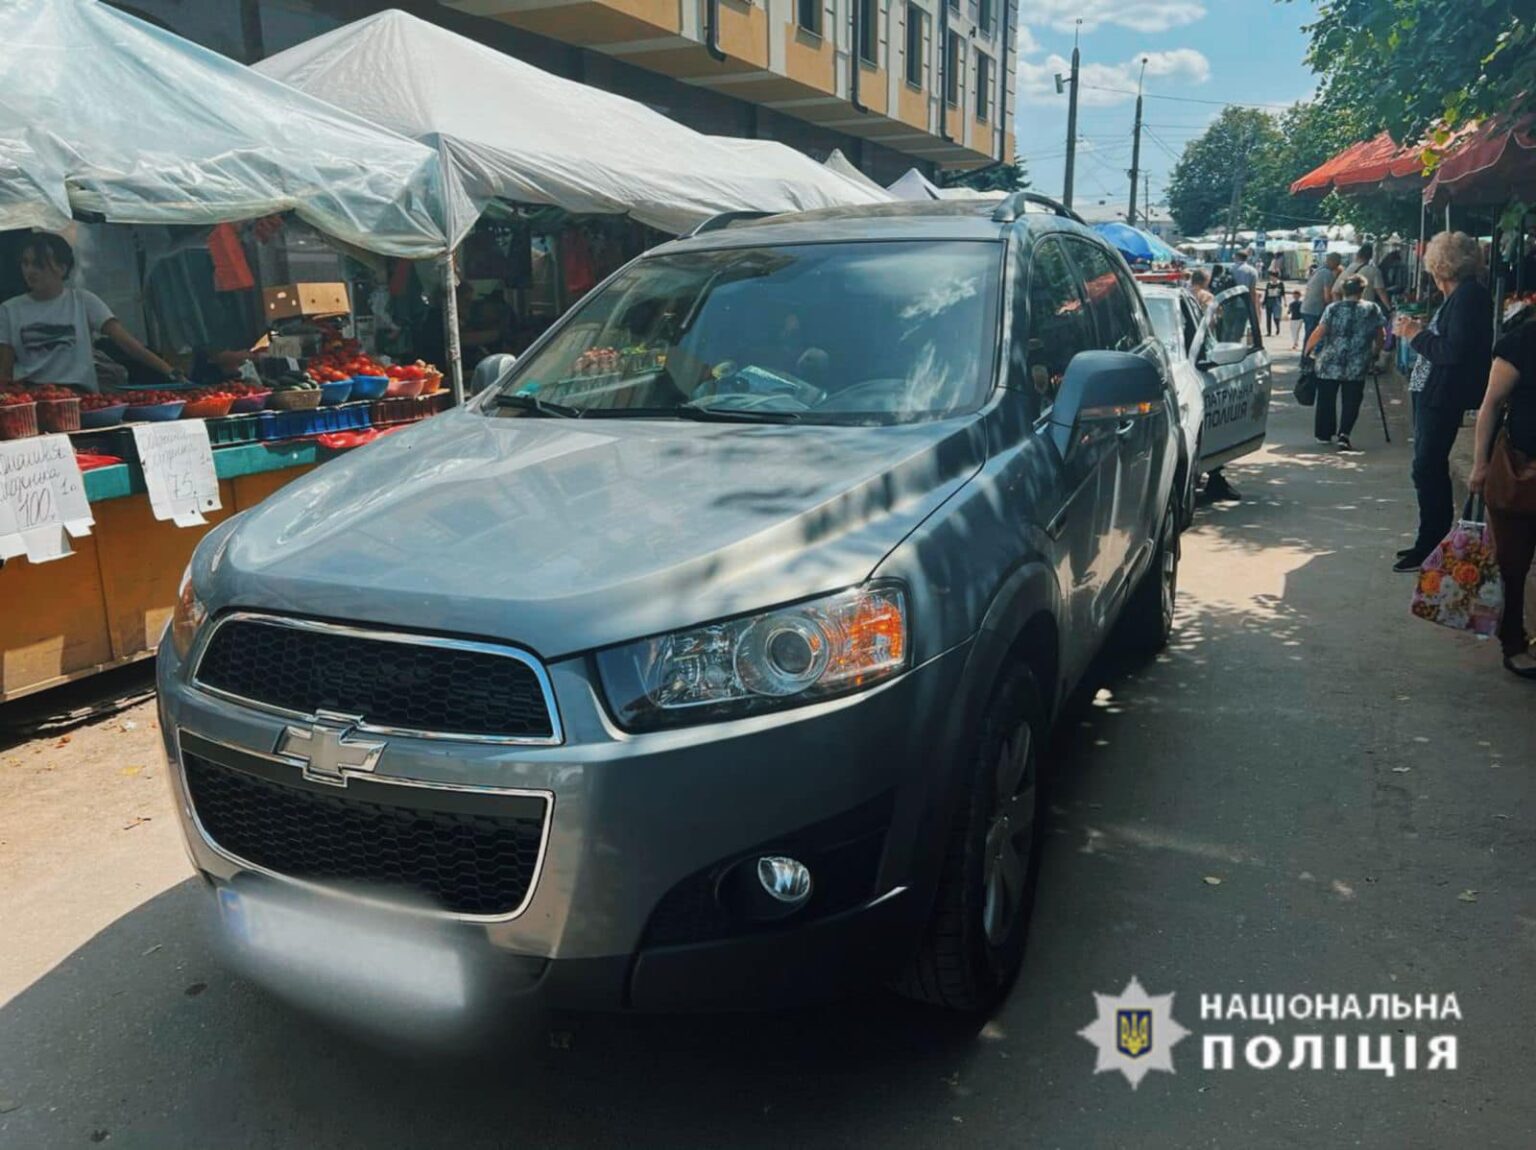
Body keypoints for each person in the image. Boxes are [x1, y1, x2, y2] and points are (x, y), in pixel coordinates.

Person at [1392, 231, 1494, 572]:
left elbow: (1453, 351)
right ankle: (1430, 541)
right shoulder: (1463, 296)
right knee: (1426, 468)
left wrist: (1414, 335)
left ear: (1439, 266)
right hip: (1434, 392)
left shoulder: (1467, 298)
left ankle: (1432, 545)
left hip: (1443, 394)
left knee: (1427, 468)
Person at [0, 233, 176, 391]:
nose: (30, 271)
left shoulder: (83, 301)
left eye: (38, 265)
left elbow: (127, 343)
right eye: (25, 263)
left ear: (62, 268)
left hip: (81, 396)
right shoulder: (9, 310)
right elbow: (5, 372)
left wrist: (170, 371)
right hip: (33, 398)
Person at [1469, 320, 1536, 678]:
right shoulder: (1523, 340)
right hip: (1519, 471)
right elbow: (1491, 405)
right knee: (1512, 564)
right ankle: (1513, 642)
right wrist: (1479, 465)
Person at [1304, 275, 1383, 451]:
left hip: (1329, 362)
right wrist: (1376, 352)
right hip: (1357, 363)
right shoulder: (1372, 309)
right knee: (1352, 400)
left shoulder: (1332, 308)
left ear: (1344, 291)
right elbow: (1380, 333)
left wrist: (1307, 350)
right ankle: (1344, 434)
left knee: (1326, 399)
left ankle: (1324, 434)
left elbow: (1320, 331)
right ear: (1362, 291)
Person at [1300, 252, 1343, 349]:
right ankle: (1306, 360)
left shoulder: (1319, 270)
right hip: (1314, 309)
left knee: (1309, 335)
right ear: (1332, 261)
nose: (1338, 265)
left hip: (1307, 308)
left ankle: (1305, 359)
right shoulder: (1327, 274)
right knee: (1313, 336)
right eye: (1337, 263)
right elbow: (1327, 296)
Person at [1263, 268, 1285, 337]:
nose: (1270, 277)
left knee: (1276, 317)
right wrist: (1264, 302)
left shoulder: (1280, 284)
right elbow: (1266, 293)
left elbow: (1283, 293)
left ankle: (1277, 327)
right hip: (1269, 302)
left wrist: (1285, 302)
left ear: (1275, 276)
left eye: (1271, 276)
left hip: (1277, 302)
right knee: (1268, 318)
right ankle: (1268, 332)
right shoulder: (1268, 284)